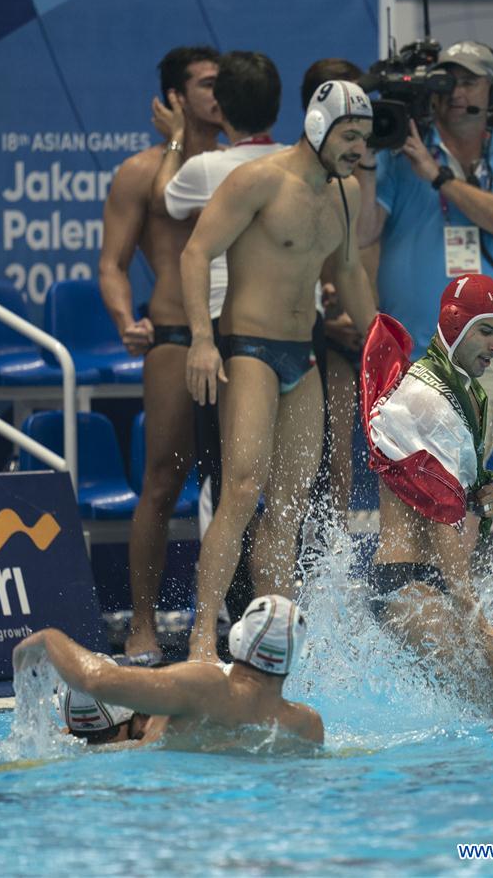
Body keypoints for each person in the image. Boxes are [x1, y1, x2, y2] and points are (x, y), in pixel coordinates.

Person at [181, 80, 377, 660]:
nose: (358, 149)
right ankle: (201, 638)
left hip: (303, 352)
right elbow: (196, 252)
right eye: (349, 135)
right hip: (249, 348)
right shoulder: (259, 180)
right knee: (243, 489)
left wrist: (381, 344)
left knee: (290, 504)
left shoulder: (346, 194)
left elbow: (349, 272)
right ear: (317, 127)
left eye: (365, 138)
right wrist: (201, 340)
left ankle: (275, 640)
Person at [152, 51, 285, 639]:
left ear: (223, 107)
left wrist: (177, 140)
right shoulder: (296, 163)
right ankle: (278, 616)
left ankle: (226, 621)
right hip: (292, 337)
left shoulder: (208, 169)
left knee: (228, 483)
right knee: (283, 488)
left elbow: (165, 198)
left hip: (227, 336)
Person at [357, 40, 493, 460]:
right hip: (406, 348)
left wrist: (438, 176)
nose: (456, 91)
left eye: (469, 82)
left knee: (460, 473)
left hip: (480, 351)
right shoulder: (400, 151)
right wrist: (367, 159)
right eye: (446, 81)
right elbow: (364, 233)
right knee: (401, 478)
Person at [98, 46, 221, 661]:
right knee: (163, 481)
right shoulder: (141, 172)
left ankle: (230, 622)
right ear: (175, 96)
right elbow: (112, 264)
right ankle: (142, 623)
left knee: (242, 483)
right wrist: (127, 321)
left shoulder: (242, 165)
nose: (218, 95)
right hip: (173, 336)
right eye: (206, 84)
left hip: (238, 337)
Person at [361, 273, 493, 703]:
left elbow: (449, 498)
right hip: (404, 582)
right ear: (455, 325)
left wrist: (478, 499)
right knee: (484, 701)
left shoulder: (460, 392)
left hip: (435, 580)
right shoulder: (430, 398)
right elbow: (439, 524)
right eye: (486, 331)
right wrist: (476, 620)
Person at [13, 596, 324, 749]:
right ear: (295, 659)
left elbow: (95, 680)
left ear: (237, 639)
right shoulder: (307, 726)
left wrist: (49, 639)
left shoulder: (206, 686)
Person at [300, 58, 379, 520]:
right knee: (319, 461)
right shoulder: (287, 180)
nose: (359, 142)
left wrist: (377, 336)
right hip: (316, 335)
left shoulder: (362, 177)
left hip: (364, 325)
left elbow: (354, 262)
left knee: (344, 463)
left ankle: (336, 552)